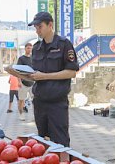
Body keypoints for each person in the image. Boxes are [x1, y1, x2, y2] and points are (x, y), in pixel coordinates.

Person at [28, 12, 79, 147]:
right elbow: (34, 73)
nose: (37, 30)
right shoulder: (36, 48)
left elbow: (71, 72)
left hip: (57, 103)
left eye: (40, 27)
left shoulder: (64, 45)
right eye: (35, 28)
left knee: (60, 143)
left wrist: (45, 76)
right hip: (39, 102)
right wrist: (21, 75)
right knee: (42, 143)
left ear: (50, 25)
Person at [17, 43, 34, 120]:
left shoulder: (33, 58)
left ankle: (35, 115)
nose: (29, 49)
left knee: (35, 100)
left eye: (30, 48)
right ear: (25, 49)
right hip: (23, 83)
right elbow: (17, 71)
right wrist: (19, 82)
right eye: (28, 48)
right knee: (21, 100)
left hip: (32, 83)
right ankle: (21, 114)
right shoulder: (21, 59)